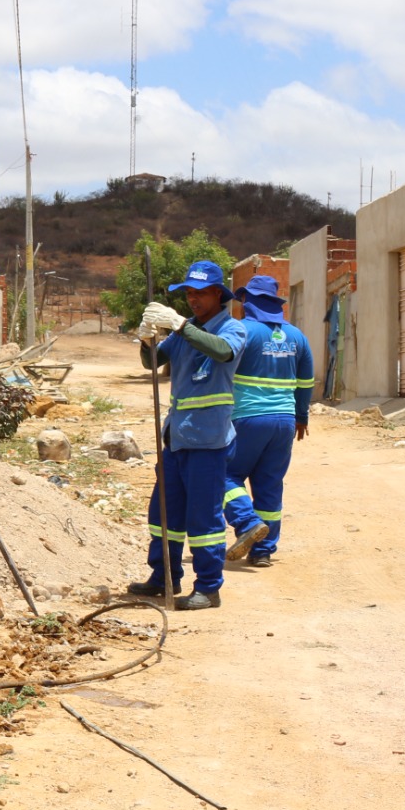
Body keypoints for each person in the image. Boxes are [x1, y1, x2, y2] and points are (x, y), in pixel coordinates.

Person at [128, 260, 248, 610]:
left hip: (209, 441)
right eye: (189, 294)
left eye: (201, 293)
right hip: (176, 439)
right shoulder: (183, 333)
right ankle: (164, 576)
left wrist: (179, 324)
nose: (194, 299)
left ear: (218, 295)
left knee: (203, 519)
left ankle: (208, 588)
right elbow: (152, 362)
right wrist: (147, 339)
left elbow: (222, 352)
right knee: (164, 515)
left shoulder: (232, 329)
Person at [222, 274, 314, 567]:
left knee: (223, 474)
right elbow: (306, 382)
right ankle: (263, 550)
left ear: (248, 300)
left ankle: (247, 522)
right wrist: (301, 416)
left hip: (247, 418)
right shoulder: (297, 336)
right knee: (269, 483)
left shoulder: (241, 331)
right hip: (285, 421)